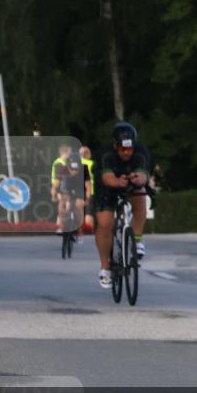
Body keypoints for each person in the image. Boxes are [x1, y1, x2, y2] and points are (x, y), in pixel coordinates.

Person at [93, 122, 153, 289]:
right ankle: (105, 268)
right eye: (122, 149)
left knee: (140, 194)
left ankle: (137, 240)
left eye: (129, 149)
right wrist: (118, 182)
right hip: (107, 187)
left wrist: (138, 179)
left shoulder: (141, 152)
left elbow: (143, 175)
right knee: (105, 224)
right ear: (115, 145)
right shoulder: (106, 154)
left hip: (130, 184)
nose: (126, 152)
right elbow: (107, 178)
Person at [50, 145, 73, 233]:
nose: (70, 154)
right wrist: (54, 190)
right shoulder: (59, 163)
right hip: (60, 187)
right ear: (64, 153)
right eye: (69, 153)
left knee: (65, 207)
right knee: (63, 206)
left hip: (64, 187)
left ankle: (61, 226)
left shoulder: (65, 162)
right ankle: (61, 227)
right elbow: (58, 178)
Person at [79, 146, 95, 232]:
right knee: (89, 211)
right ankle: (88, 229)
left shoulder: (75, 163)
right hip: (91, 189)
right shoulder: (92, 164)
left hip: (77, 190)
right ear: (88, 154)